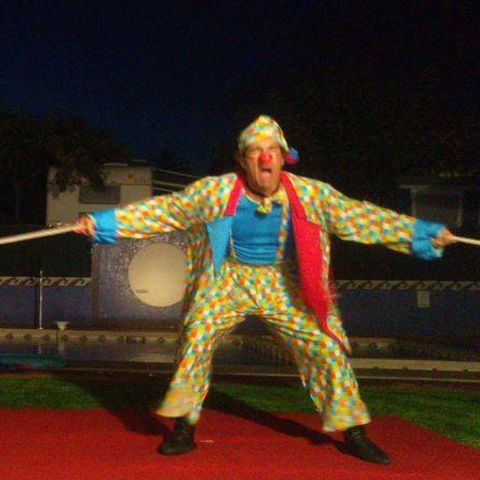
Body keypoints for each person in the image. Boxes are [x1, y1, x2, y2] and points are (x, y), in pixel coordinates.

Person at [76, 115, 456, 465]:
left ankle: (354, 433)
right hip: (228, 279)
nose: (265, 158)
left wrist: (423, 234)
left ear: (283, 158)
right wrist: (102, 224)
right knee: (196, 337)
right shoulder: (214, 192)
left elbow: (364, 217)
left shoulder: (312, 195)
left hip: (281, 281)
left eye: (272, 150)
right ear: (243, 160)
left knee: (324, 347)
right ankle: (184, 427)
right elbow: (165, 210)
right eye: (256, 151)